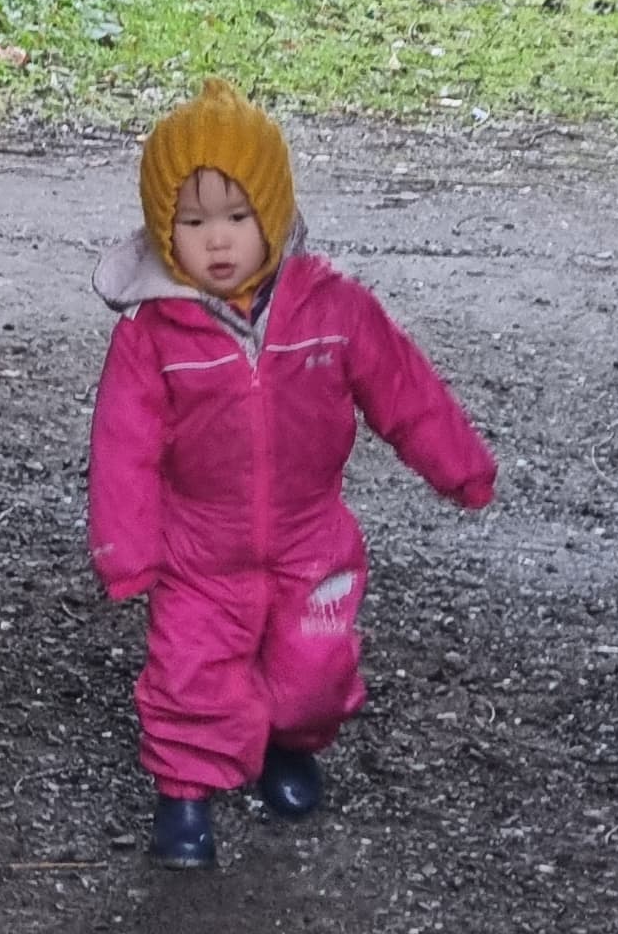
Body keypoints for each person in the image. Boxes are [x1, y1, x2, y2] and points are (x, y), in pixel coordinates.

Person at [87, 79, 497, 869]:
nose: (217, 240)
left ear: (272, 214)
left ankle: (288, 739)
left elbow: (402, 388)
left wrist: (459, 466)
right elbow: (123, 446)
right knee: (191, 672)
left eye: (237, 217)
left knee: (315, 669)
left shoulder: (333, 308)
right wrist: (127, 549)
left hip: (312, 538)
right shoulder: (153, 334)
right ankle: (185, 799)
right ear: (164, 228)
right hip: (199, 547)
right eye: (193, 221)